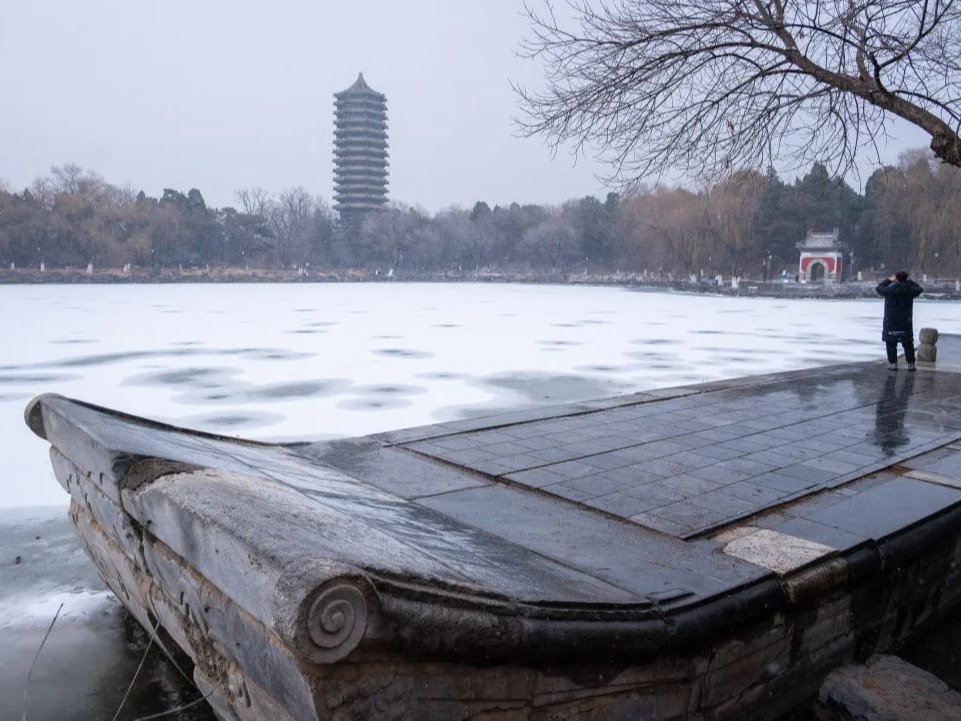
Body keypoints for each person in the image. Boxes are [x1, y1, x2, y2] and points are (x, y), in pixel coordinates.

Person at [876, 271, 923, 371]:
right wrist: (909, 282)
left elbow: (878, 288)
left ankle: (893, 363)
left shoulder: (889, 290)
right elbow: (919, 289)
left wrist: (889, 280)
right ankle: (911, 364)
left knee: (891, 343)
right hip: (905, 322)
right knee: (908, 343)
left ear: (896, 278)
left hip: (891, 322)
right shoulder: (910, 290)